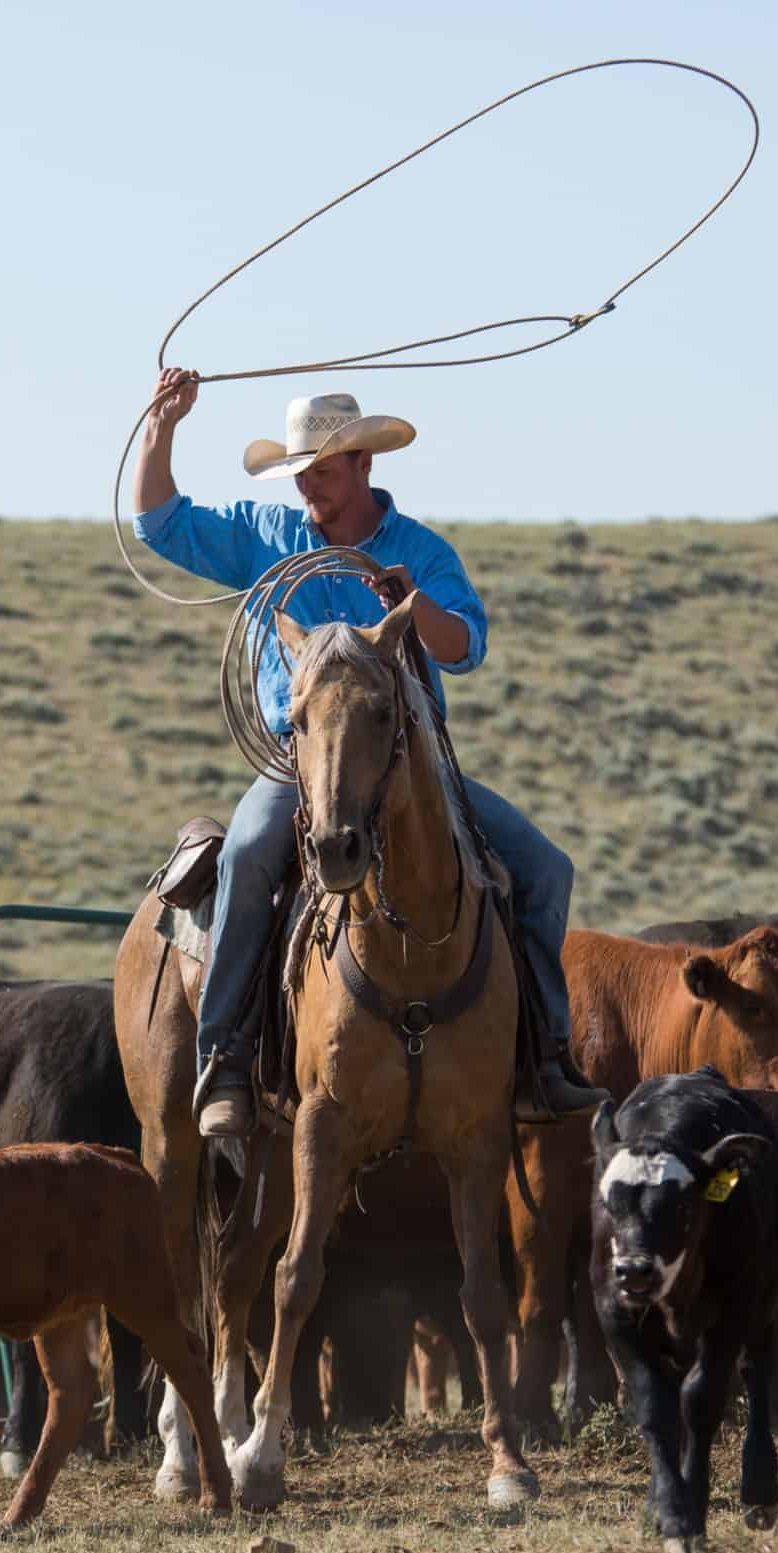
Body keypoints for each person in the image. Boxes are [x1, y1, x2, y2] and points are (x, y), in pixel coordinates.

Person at [132, 367, 604, 1137]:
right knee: (250, 851)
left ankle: (543, 1060)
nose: (308, 487)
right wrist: (163, 424)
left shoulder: (420, 550)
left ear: (364, 465)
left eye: (322, 470)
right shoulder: (266, 536)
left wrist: (414, 607)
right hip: (302, 765)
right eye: (300, 473)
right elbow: (158, 520)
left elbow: (465, 647)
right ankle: (224, 1061)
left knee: (546, 869)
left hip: (407, 765)